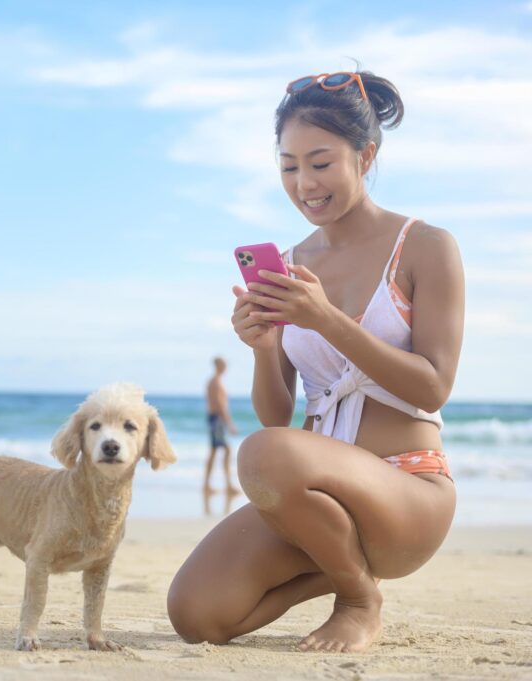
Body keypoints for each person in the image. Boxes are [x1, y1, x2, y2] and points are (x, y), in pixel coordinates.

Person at [167, 70, 463, 653]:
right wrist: (265, 347)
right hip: (317, 511)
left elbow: (433, 388)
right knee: (196, 613)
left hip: (407, 494)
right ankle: (339, 565)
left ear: (365, 154)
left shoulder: (427, 247)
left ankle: (358, 597)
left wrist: (326, 320)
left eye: (321, 163)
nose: (304, 183)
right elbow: (277, 417)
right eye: (289, 166)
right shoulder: (292, 264)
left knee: (261, 454)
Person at [204, 356, 239, 495]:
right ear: (218, 365)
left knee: (215, 451)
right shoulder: (216, 382)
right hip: (217, 419)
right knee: (226, 450)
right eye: (224, 364)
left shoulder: (214, 381)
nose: (226, 367)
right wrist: (229, 424)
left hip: (214, 419)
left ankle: (209, 485)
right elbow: (220, 405)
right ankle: (227, 485)